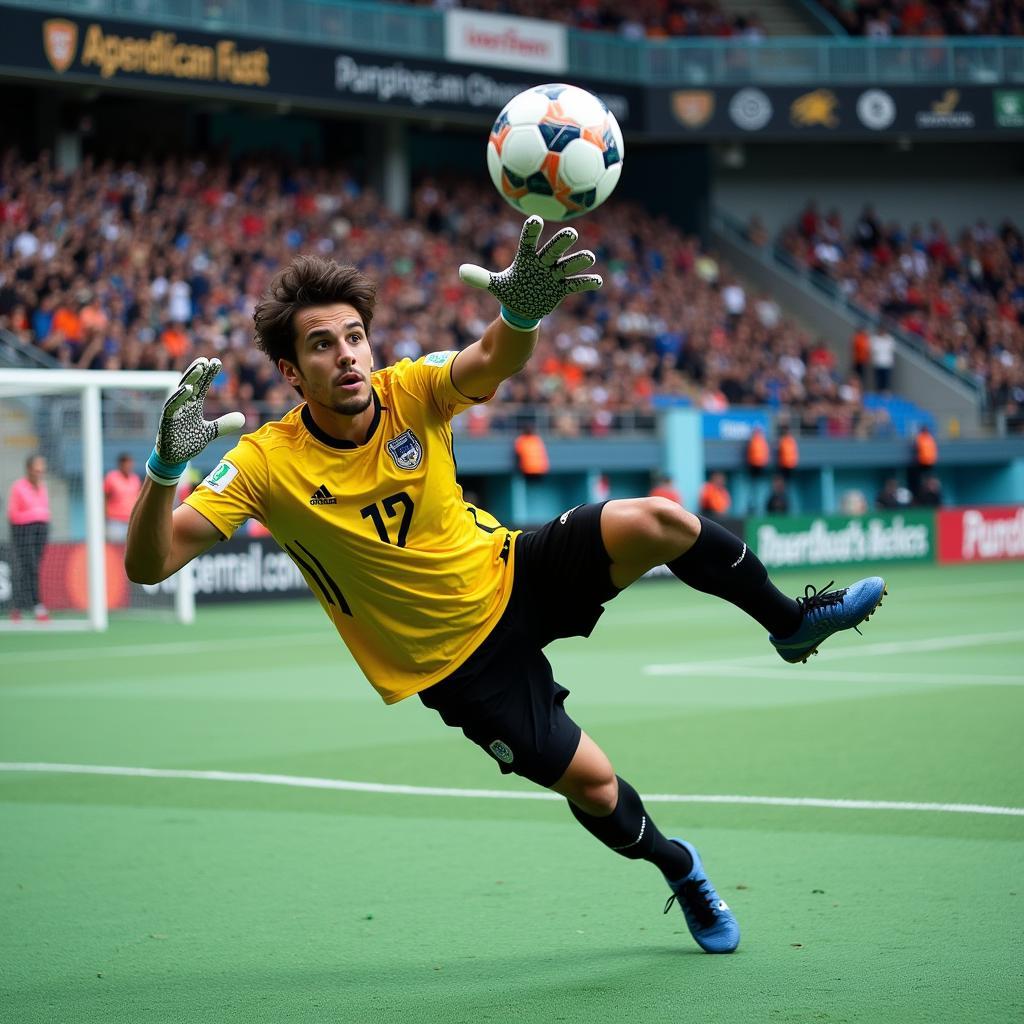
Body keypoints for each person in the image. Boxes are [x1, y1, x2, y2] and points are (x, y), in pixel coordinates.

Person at [125, 217, 886, 956]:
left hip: (511, 568)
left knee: (657, 519)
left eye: (355, 337)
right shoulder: (263, 464)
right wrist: (164, 474)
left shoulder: (411, 388)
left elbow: (490, 359)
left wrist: (518, 314)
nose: (347, 356)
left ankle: (790, 624)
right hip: (456, 666)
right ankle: (680, 869)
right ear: (292, 372)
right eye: (322, 346)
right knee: (593, 785)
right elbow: (149, 565)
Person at [7, 453, 50, 622]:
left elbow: (44, 510)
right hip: (24, 530)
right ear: (29, 469)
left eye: (42, 469)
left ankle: (19, 606)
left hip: (41, 529)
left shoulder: (43, 487)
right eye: (36, 468)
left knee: (33, 568)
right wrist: (32, 516)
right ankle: (36, 605)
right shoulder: (19, 487)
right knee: (27, 567)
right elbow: (13, 513)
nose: (40, 472)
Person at [103, 453, 141, 544]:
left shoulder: (135, 479)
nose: (129, 466)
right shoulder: (111, 478)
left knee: (130, 547)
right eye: (126, 464)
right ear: (120, 465)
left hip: (131, 520)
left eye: (130, 463)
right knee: (115, 548)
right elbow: (104, 497)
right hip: (115, 521)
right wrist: (105, 515)